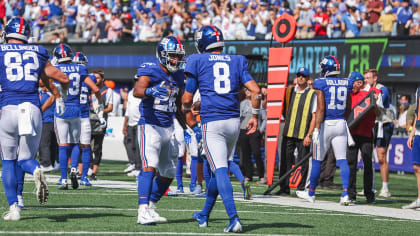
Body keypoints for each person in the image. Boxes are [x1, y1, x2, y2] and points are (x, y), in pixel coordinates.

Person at [183, 25, 260, 233]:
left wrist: (186, 109)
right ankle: (204, 214)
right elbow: (255, 90)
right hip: (233, 122)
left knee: (220, 170)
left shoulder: (197, 60)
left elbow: (187, 98)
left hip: (213, 122)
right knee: (219, 171)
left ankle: (234, 218)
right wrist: (255, 115)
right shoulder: (237, 60)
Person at [0, 17, 69, 221]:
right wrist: (61, 96)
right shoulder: (37, 51)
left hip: (9, 108)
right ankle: (36, 168)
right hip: (32, 108)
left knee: (8, 162)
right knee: (25, 160)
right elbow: (63, 78)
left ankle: (14, 208)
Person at [133, 35, 186, 225]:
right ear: (162, 55)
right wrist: (149, 91)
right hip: (150, 124)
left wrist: (190, 127)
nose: (176, 60)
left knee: (170, 172)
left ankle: (152, 205)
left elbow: (179, 106)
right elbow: (137, 90)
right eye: (173, 56)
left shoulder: (179, 75)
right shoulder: (150, 69)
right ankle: (142, 211)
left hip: (169, 125)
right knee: (149, 165)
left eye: (178, 56)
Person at [296, 55, 352, 205]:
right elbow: (348, 107)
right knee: (342, 159)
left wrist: (316, 128)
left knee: (317, 159)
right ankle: (345, 194)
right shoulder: (346, 83)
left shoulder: (321, 82)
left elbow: (320, 108)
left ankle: (311, 193)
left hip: (326, 124)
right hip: (341, 122)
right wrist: (343, 120)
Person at [53, 44, 103, 190]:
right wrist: (99, 105)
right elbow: (95, 89)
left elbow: (44, 83)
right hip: (77, 111)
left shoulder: (56, 69)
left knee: (63, 145)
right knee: (76, 144)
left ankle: (63, 179)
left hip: (61, 110)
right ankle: (75, 169)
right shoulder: (81, 69)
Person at [276, 67, 316, 195]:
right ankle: (284, 187)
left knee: (303, 161)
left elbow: (314, 116)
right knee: (285, 161)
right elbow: (283, 110)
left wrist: (309, 134)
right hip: (288, 132)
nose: (300, 78)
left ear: (308, 78)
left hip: (303, 133)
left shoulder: (312, 94)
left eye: (303, 76)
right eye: (299, 75)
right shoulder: (288, 91)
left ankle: (301, 188)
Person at [346, 71, 381, 204]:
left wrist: (374, 103)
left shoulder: (369, 95)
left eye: (352, 82)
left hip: (366, 134)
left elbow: (378, 113)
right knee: (351, 164)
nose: (350, 85)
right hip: (351, 134)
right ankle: (350, 193)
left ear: (359, 83)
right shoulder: (347, 95)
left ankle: (369, 193)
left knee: (367, 164)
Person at [364, 69, 394, 197]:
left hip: (384, 123)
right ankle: (369, 186)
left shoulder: (382, 89)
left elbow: (380, 103)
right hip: (372, 123)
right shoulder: (365, 89)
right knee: (368, 155)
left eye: (368, 78)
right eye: (365, 78)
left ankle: (385, 188)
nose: (366, 80)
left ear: (375, 78)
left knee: (381, 156)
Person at [72, 51, 97, 186]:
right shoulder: (91, 78)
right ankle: (83, 176)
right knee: (86, 147)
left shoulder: (68, 74)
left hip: (72, 114)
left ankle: (74, 169)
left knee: (73, 144)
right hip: (84, 115)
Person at [89, 70, 113, 180]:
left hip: (99, 121)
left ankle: (94, 172)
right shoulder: (88, 89)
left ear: (102, 79)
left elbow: (110, 108)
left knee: (97, 147)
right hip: (87, 121)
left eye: (98, 78)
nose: (95, 80)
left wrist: (99, 112)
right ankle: (84, 169)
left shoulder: (107, 91)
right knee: (84, 146)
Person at [239, 87, 265, 184]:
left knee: (257, 153)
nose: (248, 92)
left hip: (255, 131)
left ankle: (261, 175)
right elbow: (239, 117)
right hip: (243, 130)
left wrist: (261, 129)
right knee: (245, 154)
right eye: (246, 90)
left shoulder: (259, 102)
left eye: (250, 90)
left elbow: (264, 118)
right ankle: (248, 175)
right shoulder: (242, 103)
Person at [38, 79, 59, 172]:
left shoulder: (51, 94)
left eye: (44, 86)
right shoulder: (43, 93)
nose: (43, 88)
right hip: (51, 120)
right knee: (52, 144)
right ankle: (53, 163)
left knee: (44, 143)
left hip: (48, 120)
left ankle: (46, 163)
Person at [405, 87, 420, 210]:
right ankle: (419, 199)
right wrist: (412, 134)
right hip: (419, 131)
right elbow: (417, 114)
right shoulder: (418, 89)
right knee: (416, 167)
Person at [122, 87, 142, 177]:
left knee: (138, 145)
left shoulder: (144, 91)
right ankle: (133, 163)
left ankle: (138, 167)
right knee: (127, 142)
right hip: (131, 122)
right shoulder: (131, 92)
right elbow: (127, 109)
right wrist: (125, 125)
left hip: (140, 122)